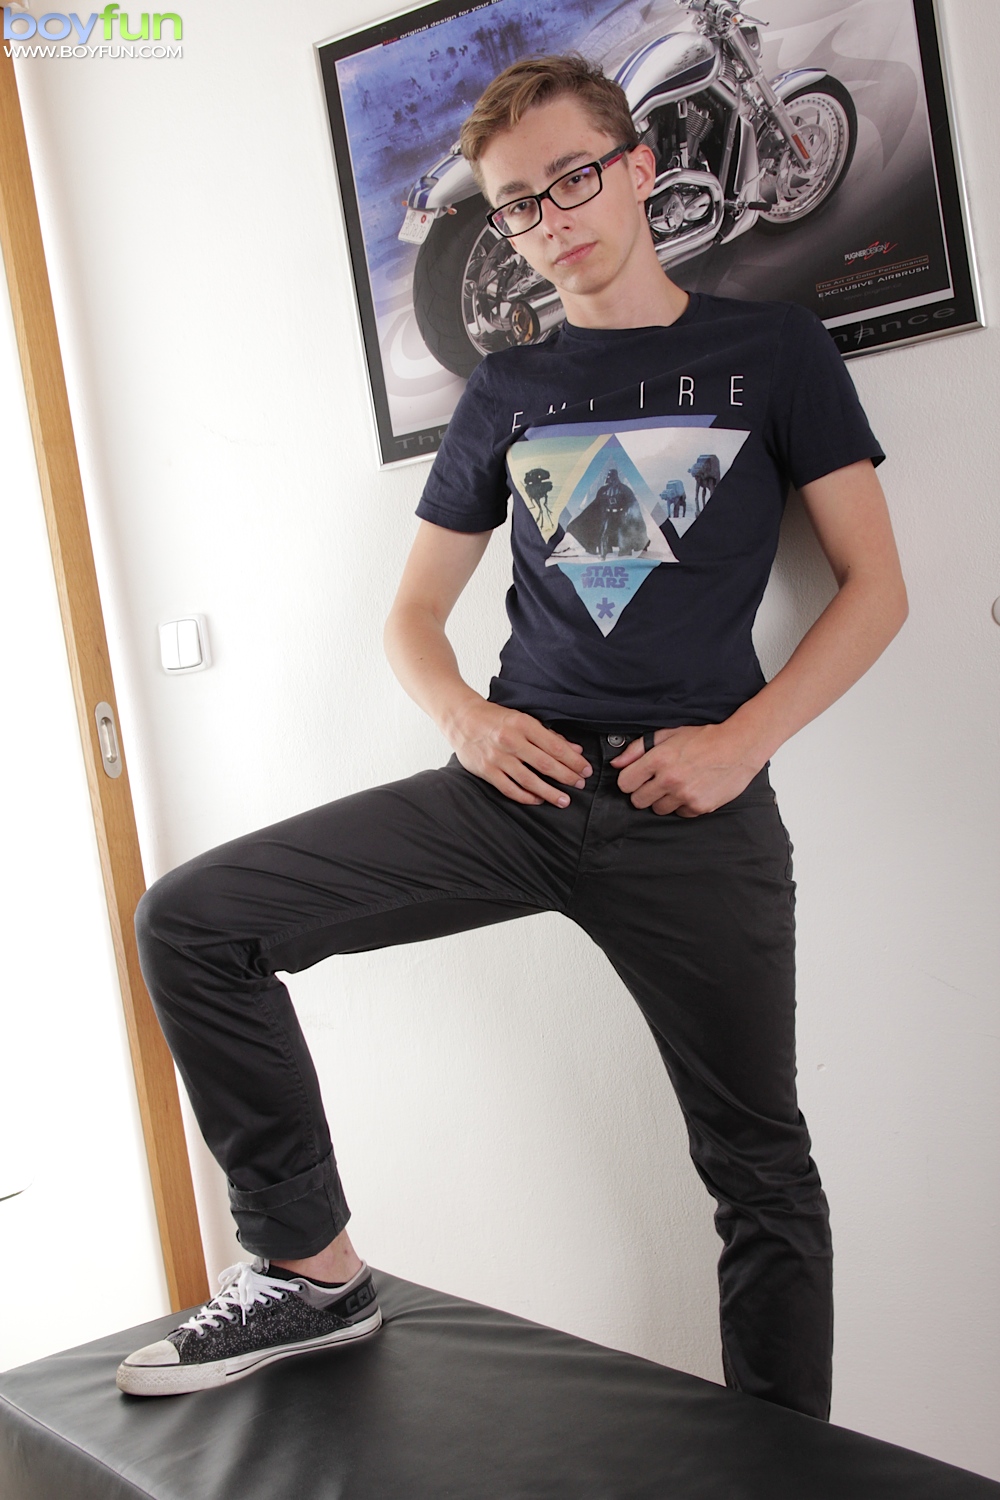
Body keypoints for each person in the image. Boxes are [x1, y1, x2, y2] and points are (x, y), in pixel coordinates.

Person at [118, 54, 907, 1413]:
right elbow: (412, 616)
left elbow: (876, 588)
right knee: (192, 923)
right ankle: (313, 1273)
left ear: (639, 166)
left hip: (692, 812)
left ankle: (784, 1469)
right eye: (520, 204)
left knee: (762, 1169)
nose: (553, 217)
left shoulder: (773, 353)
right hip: (512, 789)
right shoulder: (507, 388)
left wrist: (739, 744)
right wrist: (469, 723)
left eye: (575, 177)